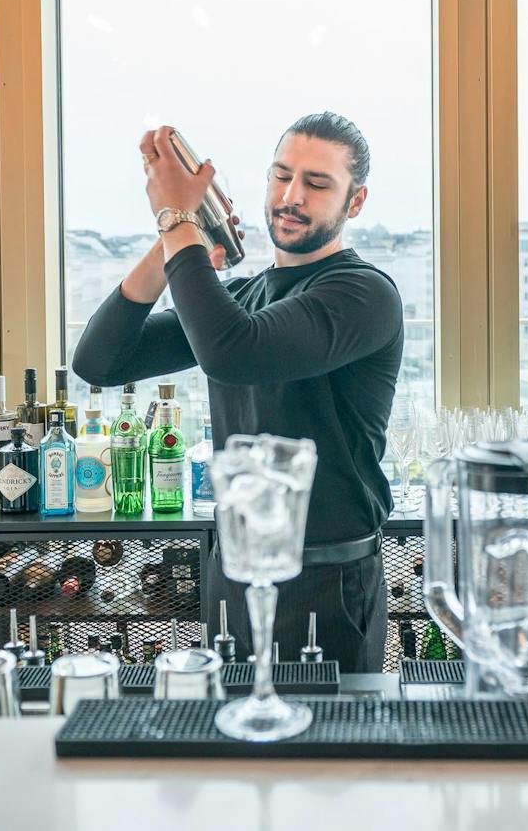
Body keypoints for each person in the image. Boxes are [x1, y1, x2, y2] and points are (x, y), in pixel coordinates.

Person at [71, 112, 402, 672]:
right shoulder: (243, 296)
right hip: (234, 571)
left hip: (326, 580)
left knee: (327, 757)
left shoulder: (363, 293)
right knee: (234, 752)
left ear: (356, 200)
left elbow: (234, 354)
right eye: (281, 176)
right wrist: (175, 238)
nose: (291, 196)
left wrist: (175, 219)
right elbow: (99, 361)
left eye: (317, 183)